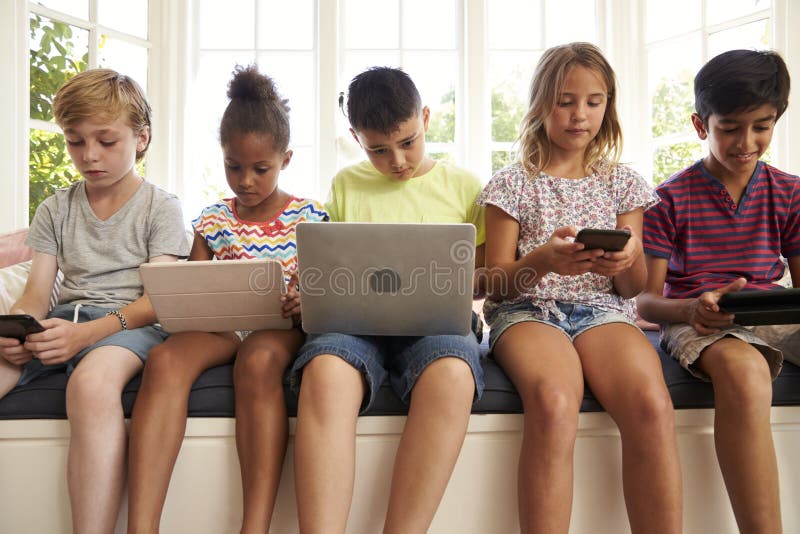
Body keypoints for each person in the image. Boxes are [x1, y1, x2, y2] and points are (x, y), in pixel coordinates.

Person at [478, 42, 682, 533]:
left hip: (604, 312)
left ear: (608, 105)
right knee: (552, 400)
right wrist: (544, 259)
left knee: (652, 406)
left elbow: (631, 289)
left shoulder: (622, 183)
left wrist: (626, 260)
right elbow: (494, 286)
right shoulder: (511, 184)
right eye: (565, 100)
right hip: (528, 312)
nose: (580, 115)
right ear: (541, 103)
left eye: (594, 101)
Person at [127, 65, 328, 533]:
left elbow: (325, 289)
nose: (246, 180)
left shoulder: (311, 216)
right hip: (219, 328)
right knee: (163, 360)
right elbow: (193, 290)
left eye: (262, 168)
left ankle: (253, 525)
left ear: (287, 159)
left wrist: (307, 298)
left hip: (278, 328)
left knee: (258, 359)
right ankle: (142, 525)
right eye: (233, 166)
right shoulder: (213, 219)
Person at [290, 66, 485, 534]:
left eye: (408, 142)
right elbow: (330, 264)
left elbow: (480, 280)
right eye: (378, 149)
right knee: (325, 370)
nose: (397, 160)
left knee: (454, 374)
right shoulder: (345, 185)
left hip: (438, 325)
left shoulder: (465, 187)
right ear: (357, 138)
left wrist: (459, 284)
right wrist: (308, 291)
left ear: (426, 118)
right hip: (354, 324)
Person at [0, 68, 190, 533]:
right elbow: (35, 296)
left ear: (141, 139)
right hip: (62, 322)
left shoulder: (160, 207)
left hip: (130, 326)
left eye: (106, 141)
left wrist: (86, 334)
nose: (89, 155)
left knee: (90, 384)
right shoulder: (55, 208)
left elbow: (158, 300)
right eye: (75, 141)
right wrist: (18, 331)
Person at [638, 48, 800, 533]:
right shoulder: (668, 199)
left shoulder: (790, 193)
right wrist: (689, 308)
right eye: (730, 128)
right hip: (699, 319)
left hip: (772, 312)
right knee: (747, 374)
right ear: (700, 124)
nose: (746, 141)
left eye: (762, 127)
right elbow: (644, 301)